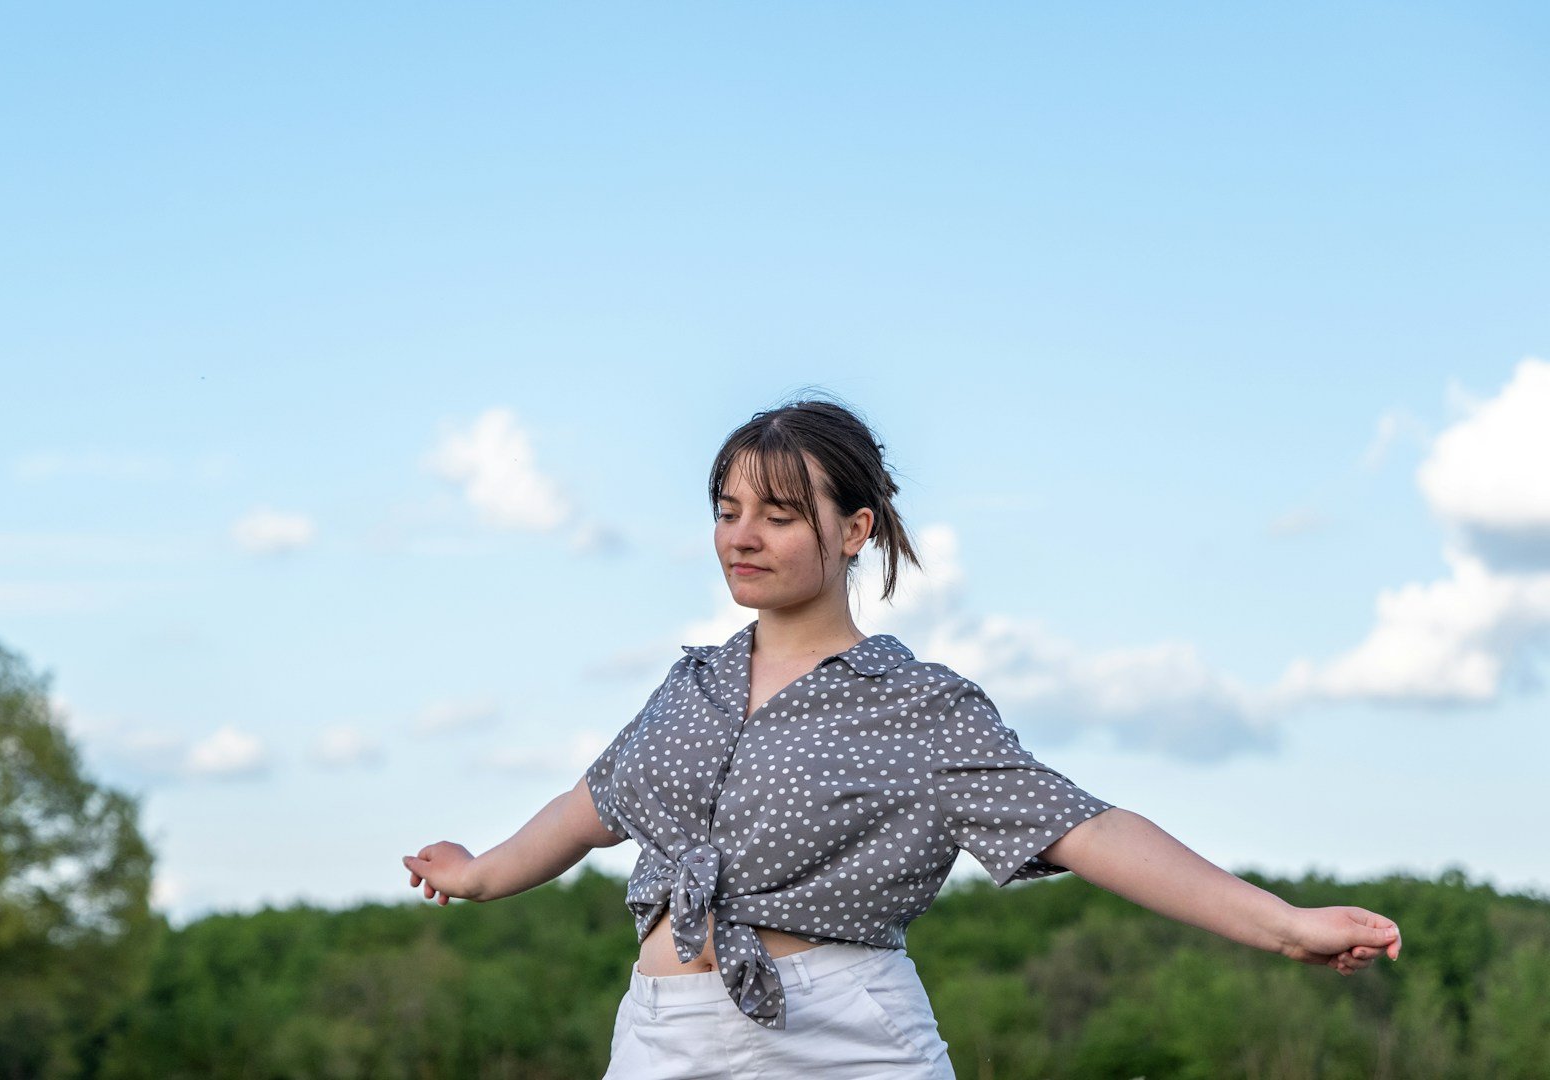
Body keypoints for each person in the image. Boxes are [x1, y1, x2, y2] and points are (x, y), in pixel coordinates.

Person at [402, 397, 1403, 1079]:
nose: (742, 536)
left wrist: (1280, 923)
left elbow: (1087, 829)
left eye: (780, 515)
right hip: (664, 1036)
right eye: (727, 510)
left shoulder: (918, 708)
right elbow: (590, 810)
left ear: (855, 531)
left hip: (842, 1030)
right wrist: (482, 871)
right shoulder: (690, 688)